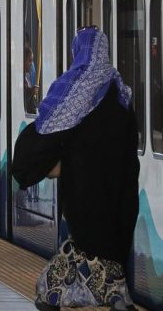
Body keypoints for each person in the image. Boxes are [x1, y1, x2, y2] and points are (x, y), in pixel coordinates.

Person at [12, 27, 139, 311]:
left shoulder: (76, 87)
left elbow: (50, 129)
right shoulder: (120, 90)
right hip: (116, 188)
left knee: (86, 245)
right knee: (97, 247)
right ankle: (109, 296)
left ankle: (53, 293)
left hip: (84, 188)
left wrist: (32, 164)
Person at [24, 46, 39, 114]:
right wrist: (31, 92)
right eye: (29, 61)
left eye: (32, 61)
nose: (31, 64)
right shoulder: (19, 78)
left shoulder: (28, 76)